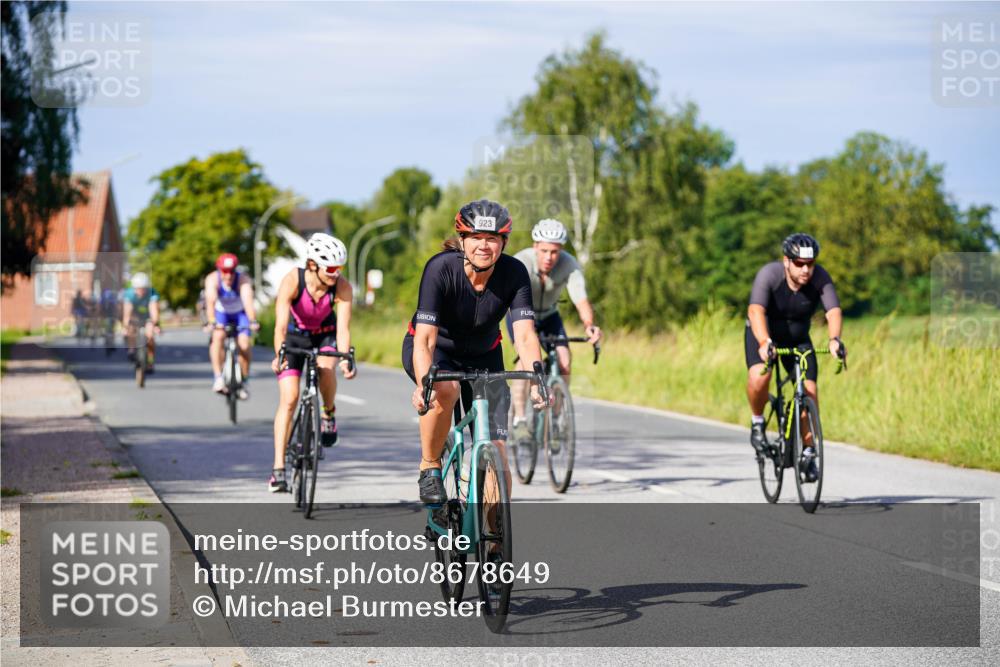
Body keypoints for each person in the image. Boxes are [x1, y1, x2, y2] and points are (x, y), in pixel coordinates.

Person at [403, 199, 547, 506]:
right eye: (476, 238)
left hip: (484, 355)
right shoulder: (440, 269)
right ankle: (430, 465)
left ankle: (495, 542)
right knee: (446, 387)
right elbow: (425, 340)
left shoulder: (515, 273)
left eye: (492, 238)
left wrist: (537, 375)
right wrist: (423, 383)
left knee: (496, 445)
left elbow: (524, 334)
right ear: (462, 240)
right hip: (436, 351)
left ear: (503, 242)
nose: (484, 245)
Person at [745, 233, 845, 479]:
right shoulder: (769, 275)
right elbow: (755, 309)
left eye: (809, 264)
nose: (805, 269)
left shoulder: (820, 277)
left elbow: (833, 311)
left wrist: (834, 340)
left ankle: (809, 453)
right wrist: (763, 341)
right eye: (799, 263)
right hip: (765, 335)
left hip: (798, 339)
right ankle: (757, 422)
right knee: (759, 377)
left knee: (809, 391)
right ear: (786, 261)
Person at [268, 234, 356, 493]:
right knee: (289, 398)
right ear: (312, 265)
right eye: (330, 268)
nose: (335, 274)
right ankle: (278, 470)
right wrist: (279, 355)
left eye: (339, 268)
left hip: (324, 334)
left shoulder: (342, 287)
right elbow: (280, 326)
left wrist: (345, 357)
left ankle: (328, 414)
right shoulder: (293, 280)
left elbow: (343, 330)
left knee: (326, 369)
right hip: (294, 337)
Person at [507, 219, 601, 441]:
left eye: (555, 252)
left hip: (549, 315)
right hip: (521, 316)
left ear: (562, 251)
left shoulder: (569, 265)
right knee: (524, 361)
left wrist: (590, 326)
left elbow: (581, 299)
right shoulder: (522, 261)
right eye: (545, 251)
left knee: (565, 361)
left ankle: (557, 419)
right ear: (535, 246)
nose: (549, 257)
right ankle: (519, 419)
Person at [204, 253, 259, 399]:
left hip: (240, 314)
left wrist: (253, 321)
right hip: (221, 314)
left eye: (231, 272)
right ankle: (218, 378)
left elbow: (248, 302)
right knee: (218, 336)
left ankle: (245, 381)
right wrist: (211, 321)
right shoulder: (212, 279)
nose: (228, 276)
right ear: (219, 270)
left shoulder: (243, 279)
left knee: (245, 345)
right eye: (224, 272)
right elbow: (210, 302)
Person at [121, 272, 160, 372]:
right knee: (130, 329)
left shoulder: (152, 293)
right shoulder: (129, 294)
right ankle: (131, 349)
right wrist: (125, 326)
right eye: (138, 288)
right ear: (134, 288)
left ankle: (150, 361)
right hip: (135, 316)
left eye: (143, 288)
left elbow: (154, 309)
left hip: (147, 316)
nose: (141, 291)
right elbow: (127, 312)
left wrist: (155, 323)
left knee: (150, 336)